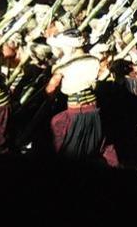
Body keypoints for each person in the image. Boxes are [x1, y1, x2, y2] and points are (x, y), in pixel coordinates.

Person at [44, 29, 119, 166]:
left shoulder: (64, 66)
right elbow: (103, 75)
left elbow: (51, 87)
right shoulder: (94, 61)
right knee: (100, 141)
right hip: (94, 108)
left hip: (77, 111)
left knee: (61, 131)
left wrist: (50, 95)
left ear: (70, 46)